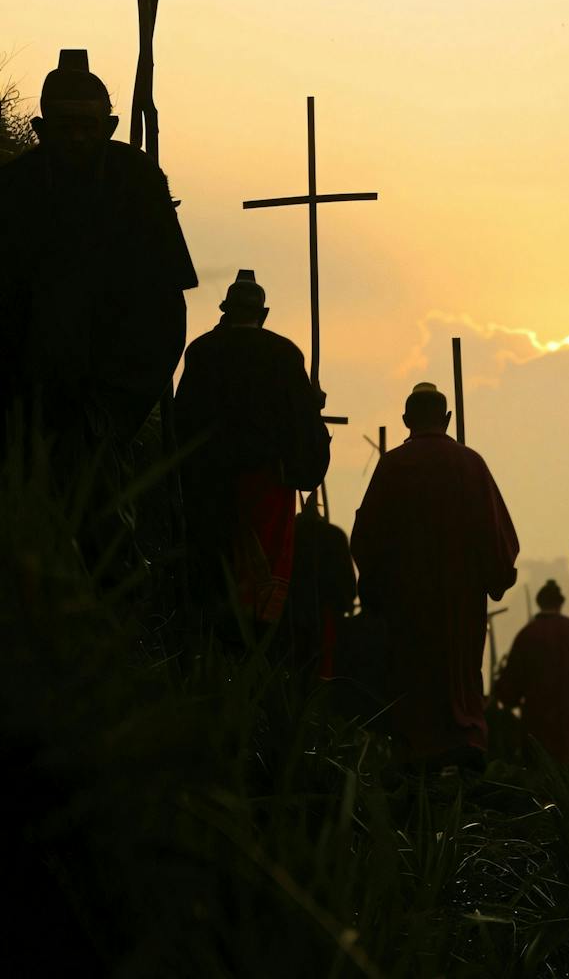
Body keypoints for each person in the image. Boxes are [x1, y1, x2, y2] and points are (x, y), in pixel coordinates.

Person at [0, 48, 196, 462]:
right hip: (24, 403)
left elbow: (162, 309)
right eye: (65, 127)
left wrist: (116, 411)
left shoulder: (137, 182)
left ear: (109, 127)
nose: (77, 138)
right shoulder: (16, 189)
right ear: (40, 128)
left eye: (87, 127)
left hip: (111, 401)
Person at [351, 382, 519, 771]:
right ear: (446, 419)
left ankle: (417, 749)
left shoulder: (392, 466)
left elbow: (366, 536)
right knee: (459, 670)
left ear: (407, 420)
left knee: (413, 673)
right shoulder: (470, 464)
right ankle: (464, 740)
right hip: (460, 597)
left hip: (406, 598)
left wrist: (375, 589)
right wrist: (496, 577)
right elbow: (497, 533)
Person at [174, 270, 329, 628]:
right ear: (263, 313)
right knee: (262, 574)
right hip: (266, 481)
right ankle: (256, 646)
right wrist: (312, 406)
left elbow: (183, 417)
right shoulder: (284, 354)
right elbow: (300, 421)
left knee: (214, 563)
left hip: (209, 479)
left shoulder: (202, 350)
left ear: (226, 311)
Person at [494, 579, 569, 763]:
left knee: (539, 779)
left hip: (536, 724)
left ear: (539, 603)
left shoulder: (528, 635)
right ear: (560, 603)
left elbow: (509, 690)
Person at [287, 491, 357, 679]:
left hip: (292, 621)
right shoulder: (333, 536)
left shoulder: (290, 535)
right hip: (323, 621)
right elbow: (349, 590)